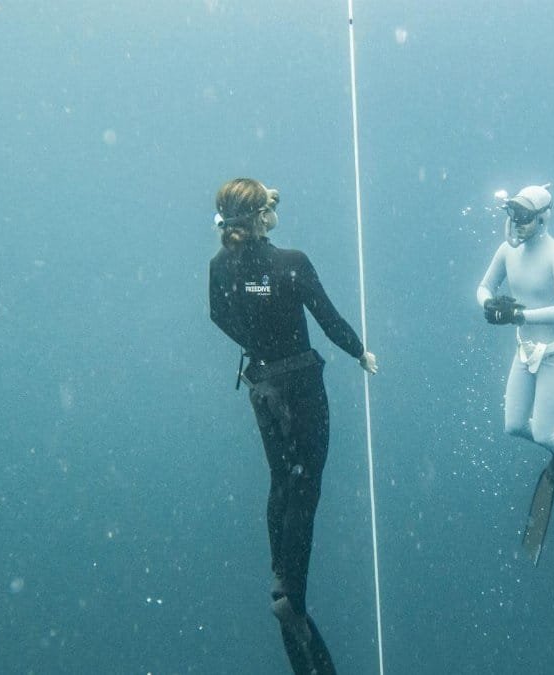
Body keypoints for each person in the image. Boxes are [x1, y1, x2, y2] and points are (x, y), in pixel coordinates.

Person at [209, 177, 378, 674]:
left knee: (281, 481)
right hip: (302, 384)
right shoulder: (291, 263)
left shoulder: (220, 266)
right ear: (261, 219)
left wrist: (258, 346)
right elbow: (327, 317)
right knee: (308, 485)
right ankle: (294, 593)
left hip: (262, 387)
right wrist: (359, 351)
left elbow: (218, 316)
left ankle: (279, 572)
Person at [476, 183, 554, 615]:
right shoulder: (506, 250)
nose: (517, 225)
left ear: (545, 217)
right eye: (514, 216)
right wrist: (491, 305)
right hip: (524, 351)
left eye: (526, 218)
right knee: (514, 425)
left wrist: (519, 314)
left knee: (545, 430)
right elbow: (482, 287)